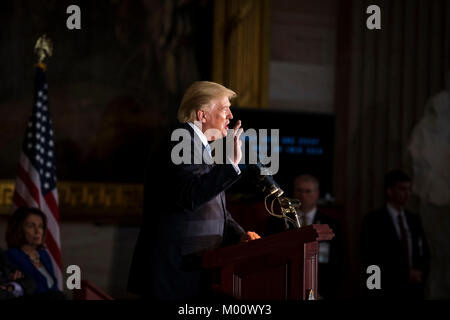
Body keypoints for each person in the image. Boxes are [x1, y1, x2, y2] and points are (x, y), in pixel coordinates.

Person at [127, 81, 260, 300]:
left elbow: (213, 208)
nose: (230, 115)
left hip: (191, 267)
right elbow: (190, 195)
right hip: (172, 271)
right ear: (202, 114)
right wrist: (232, 164)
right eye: (225, 108)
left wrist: (240, 235)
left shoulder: (198, 145)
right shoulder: (180, 140)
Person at [266, 174, 345, 299]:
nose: (303, 195)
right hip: (285, 288)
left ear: (317, 194)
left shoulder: (331, 224)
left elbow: (338, 261)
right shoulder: (278, 222)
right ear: (293, 192)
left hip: (322, 289)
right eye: (299, 191)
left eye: (308, 191)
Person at [360, 170, 430, 299]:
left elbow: (424, 252)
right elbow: (371, 258)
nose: (407, 194)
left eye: (409, 189)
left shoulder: (414, 220)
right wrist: (403, 275)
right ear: (390, 191)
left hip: (413, 291)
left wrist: (420, 273)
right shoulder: (373, 221)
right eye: (402, 189)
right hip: (387, 291)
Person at [5, 207, 65, 299]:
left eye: (41, 226)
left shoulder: (44, 255)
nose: (38, 231)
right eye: (31, 226)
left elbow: (53, 288)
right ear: (19, 229)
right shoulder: (11, 256)